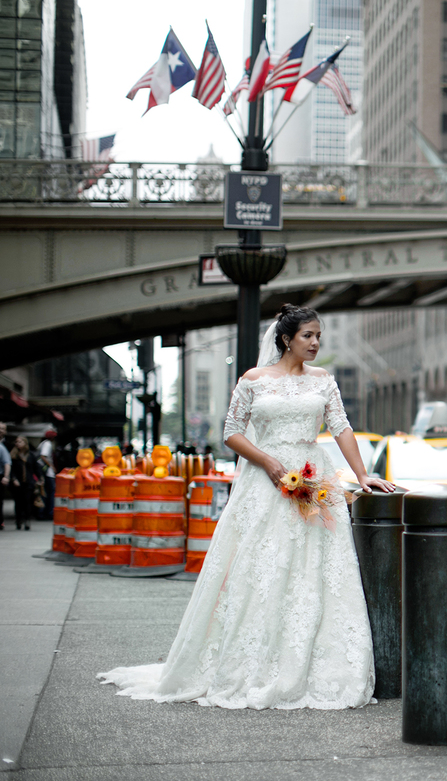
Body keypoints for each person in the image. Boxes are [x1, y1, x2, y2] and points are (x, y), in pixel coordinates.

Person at [98, 304, 395, 709]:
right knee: (262, 566)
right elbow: (231, 432)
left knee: (318, 569)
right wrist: (269, 461)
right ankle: (248, 662)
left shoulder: (324, 381)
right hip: (264, 481)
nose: (315, 343)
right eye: (308, 336)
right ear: (287, 339)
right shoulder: (254, 380)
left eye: (319, 336)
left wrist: (362, 475)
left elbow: (340, 427)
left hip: (314, 477)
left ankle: (316, 664)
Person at [10, 435, 38, 530]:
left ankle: (27, 519)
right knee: (18, 502)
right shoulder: (13, 455)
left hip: (29, 482)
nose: (17, 444)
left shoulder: (30, 455)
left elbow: (36, 468)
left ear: (25, 443)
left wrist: (40, 479)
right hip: (17, 483)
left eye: (20, 442)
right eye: (16, 442)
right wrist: (13, 479)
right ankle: (18, 520)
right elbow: (11, 469)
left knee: (28, 502)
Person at [37, 429, 55, 521]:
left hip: (45, 472)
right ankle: (48, 512)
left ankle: (43, 512)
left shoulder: (43, 443)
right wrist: (51, 466)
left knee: (45, 492)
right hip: (48, 473)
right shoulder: (47, 444)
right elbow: (43, 456)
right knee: (50, 492)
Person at [0, 423, 10, 531]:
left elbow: (7, 462)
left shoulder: (5, 445)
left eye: (2, 429)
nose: (1, 430)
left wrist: (6, 476)